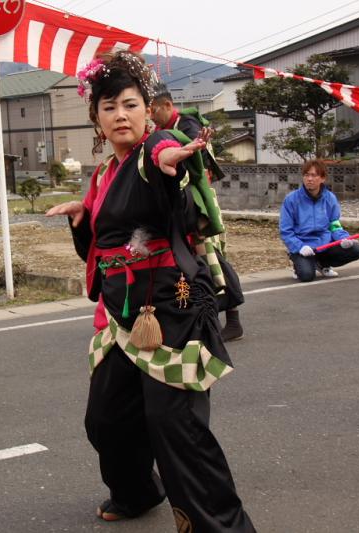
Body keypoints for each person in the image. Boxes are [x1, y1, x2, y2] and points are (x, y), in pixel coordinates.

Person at [47, 50, 255, 532]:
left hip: (169, 308)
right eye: (109, 107)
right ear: (96, 119)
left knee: (177, 430)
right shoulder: (101, 175)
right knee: (106, 419)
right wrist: (83, 219)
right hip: (122, 315)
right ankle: (138, 490)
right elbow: (101, 252)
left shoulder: (154, 149)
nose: (121, 114)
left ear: (147, 109)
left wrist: (173, 159)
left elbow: (165, 156)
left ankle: (224, 527)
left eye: (130, 104)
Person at [151, 84, 245, 342]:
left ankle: (229, 320)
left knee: (209, 259)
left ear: (168, 105)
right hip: (179, 201)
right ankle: (199, 318)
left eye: (153, 109)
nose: (151, 116)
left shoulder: (187, 124)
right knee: (191, 260)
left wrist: (195, 146)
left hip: (196, 203)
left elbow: (197, 159)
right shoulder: (162, 130)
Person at [280, 159, 359, 282]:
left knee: (356, 250)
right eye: (306, 175)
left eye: (314, 175)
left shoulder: (330, 198)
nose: (309, 179)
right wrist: (299, 247)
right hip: (304, 246)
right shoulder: (291, 199)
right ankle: (297, 263)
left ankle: (322, 264)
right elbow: (286, 231)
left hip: (325, 244)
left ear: (323, 178)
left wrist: (344, 239)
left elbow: (334, 225)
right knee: (306, 276)